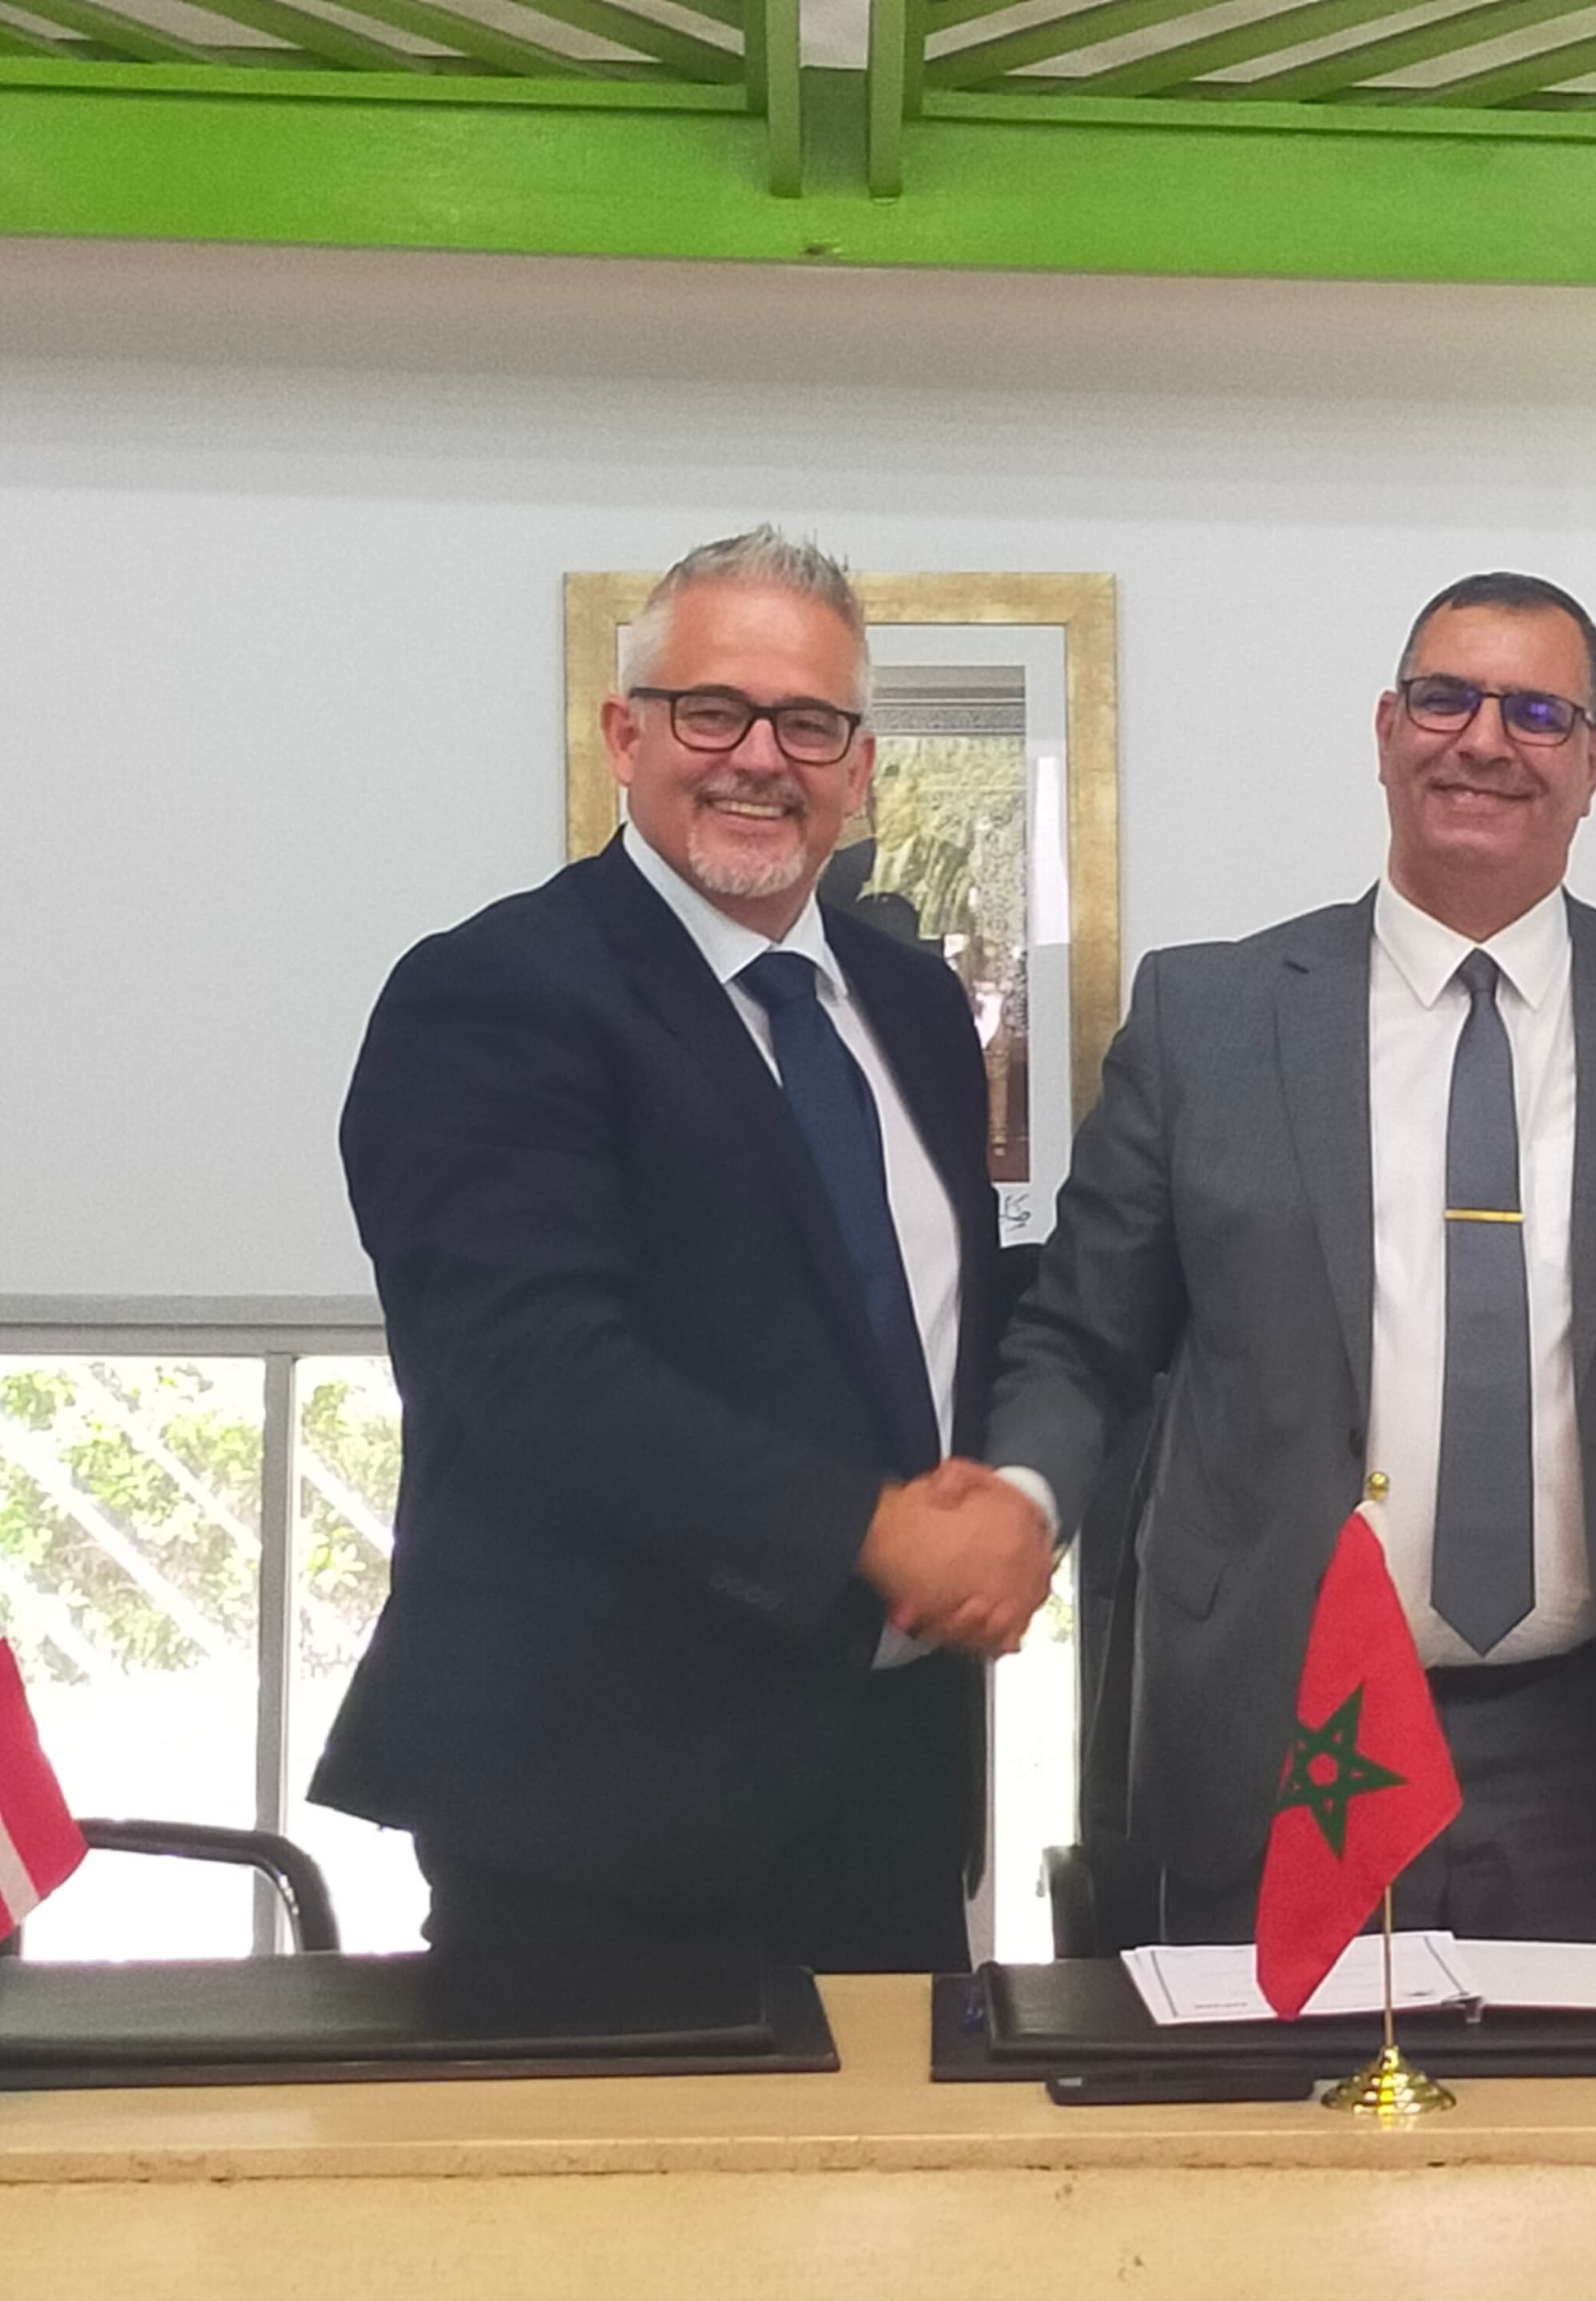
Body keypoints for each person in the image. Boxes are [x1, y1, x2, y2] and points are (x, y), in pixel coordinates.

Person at [986, 572, 1596, 1961]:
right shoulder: (1213, 1020)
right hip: (1286, 1735)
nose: (1485, 739)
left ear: (1595, 763)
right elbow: (1081, 1335)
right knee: (1278, 2167)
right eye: (1447, 697)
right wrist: (1019, 1500)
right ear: (1387, 728)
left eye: (1539, 712)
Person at [313, 527, 1055, 1973]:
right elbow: (532, 1375)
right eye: (712, 712)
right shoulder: (495, 993)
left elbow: (911, 1318)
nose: (758, 759)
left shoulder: (908, 1002)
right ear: (625, 734)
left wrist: (1025, 1491)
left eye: (810, 724)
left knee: (900, 2208)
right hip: (597, 1814)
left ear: (860, 764)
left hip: (890, 1787)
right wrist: (877, 1527)